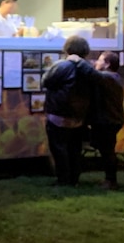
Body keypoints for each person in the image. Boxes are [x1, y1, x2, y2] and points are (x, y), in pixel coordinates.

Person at [41, 35, 100, 186]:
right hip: (79, 116)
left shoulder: (62, 66)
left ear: (67, 48)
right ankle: (74, 179)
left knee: (59, 148)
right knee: (75, 149)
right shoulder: (87, 69)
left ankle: (63, 180)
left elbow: (45, 81)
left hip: (59, 114)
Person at [90, 50, 124, 190]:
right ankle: (110, 180)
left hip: (107, 120)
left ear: (107, 64)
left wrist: (77, 60)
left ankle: (111, 181)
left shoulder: (107, 77)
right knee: (107, 149)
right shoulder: (115, 77)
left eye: (100, 60)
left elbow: (92, 74)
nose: (97, 62)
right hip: (113, 119)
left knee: (107, 151)